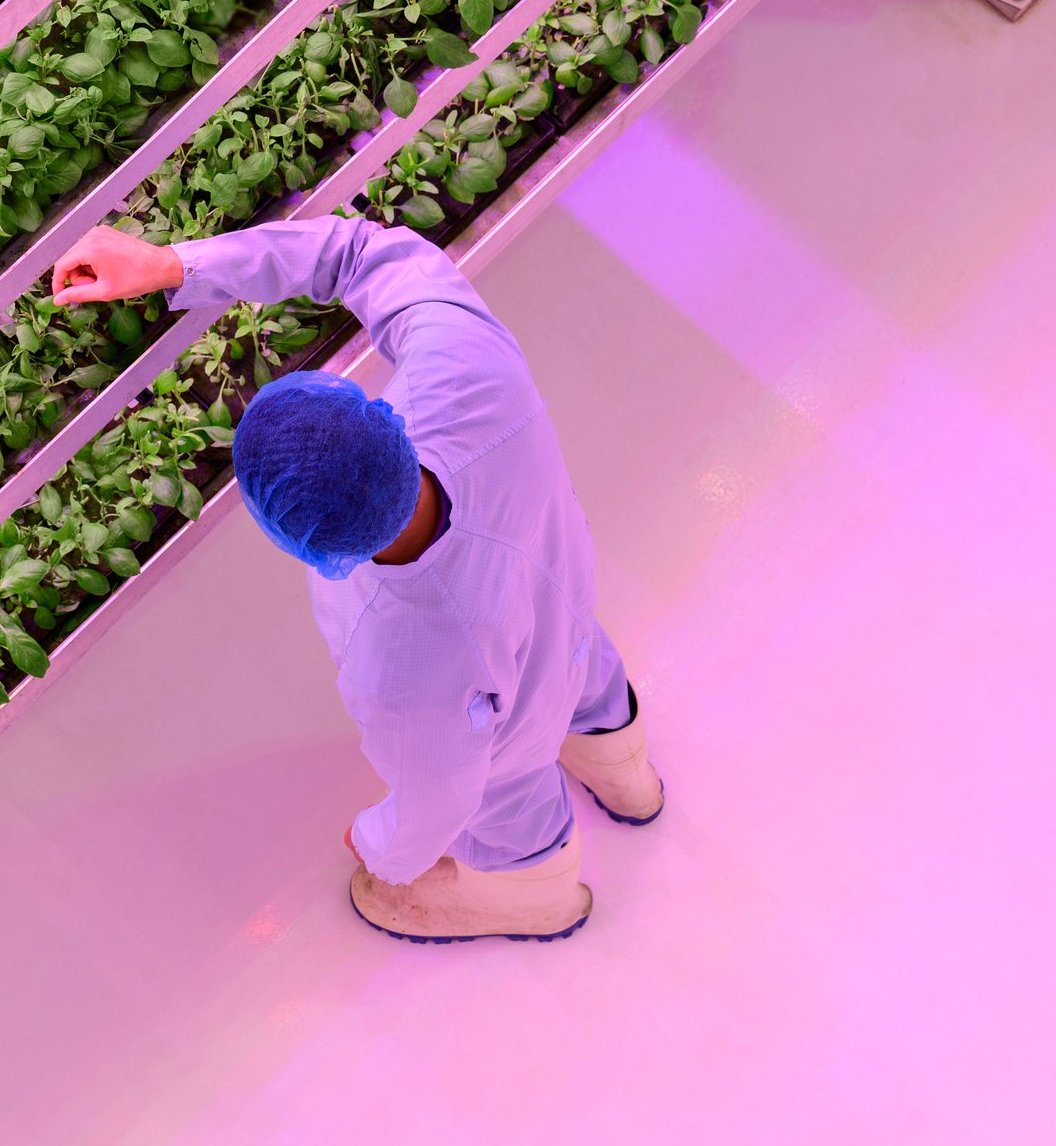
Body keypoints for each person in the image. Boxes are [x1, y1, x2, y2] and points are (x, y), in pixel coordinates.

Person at [50, 216, 665, 943]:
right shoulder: (466, 370)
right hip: (567, 613)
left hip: (512, 725)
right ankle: (623, 768)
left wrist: (380, 844)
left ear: (308, 547)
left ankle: (536, 886)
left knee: (506, 784)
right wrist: (172, 263)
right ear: (378, 416)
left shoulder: (398, 659)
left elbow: (439, 790)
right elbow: (362, 253)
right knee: (581, 671)